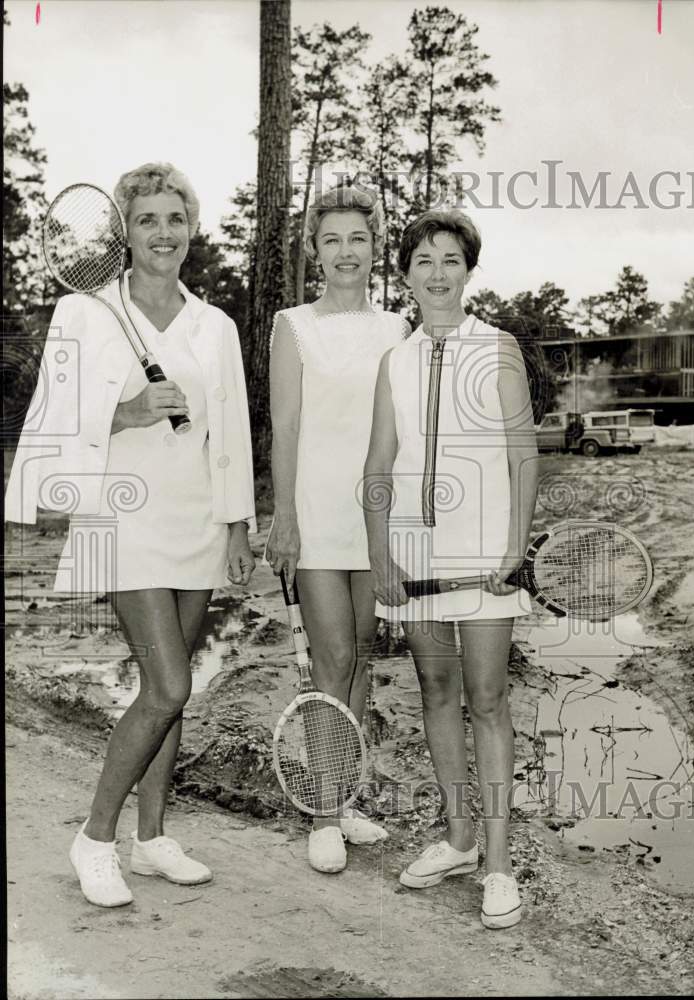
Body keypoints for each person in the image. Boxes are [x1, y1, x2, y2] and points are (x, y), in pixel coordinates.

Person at [5, 162, 256, 907]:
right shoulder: (84, 314)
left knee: (168, 690)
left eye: (175, 218)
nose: (164, 233)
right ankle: (95, 836)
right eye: (147, 219)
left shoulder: (216, 325)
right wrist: (130, 411)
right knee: (169, 682)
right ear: (125, 231)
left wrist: (238, 524)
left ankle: (151, 840)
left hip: (197, 520)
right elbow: (51, 420)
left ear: (192, 228)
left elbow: (232, 433)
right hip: (123, 520)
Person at [363, 209, 539, 929]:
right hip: (417, 557)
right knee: (435, 690)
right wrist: (380, 552)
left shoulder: (497, 349)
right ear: (403, 273)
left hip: (483, 556)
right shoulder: (393, 360)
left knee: (487, 698)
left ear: (468, 270)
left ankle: (498, 863)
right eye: (422, 261)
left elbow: (522, 453)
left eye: (449, 260)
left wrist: (514, 547)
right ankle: (459, 839)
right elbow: (377, 465)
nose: (436, 273)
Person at [264, 180, 408, 873]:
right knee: (332, 663)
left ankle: (343, 799)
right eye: (331, 240)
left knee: (361, 662)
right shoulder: (293, 325)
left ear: (374, 247)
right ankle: (322, 814)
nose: (345, 252)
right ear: (314, 251)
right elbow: (285, 428)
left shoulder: (396, 329)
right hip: (317, 519)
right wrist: (283, 519)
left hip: (373, 522)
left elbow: (402, 434)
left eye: (358, 238)